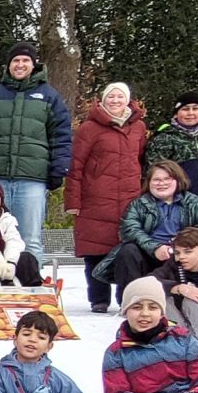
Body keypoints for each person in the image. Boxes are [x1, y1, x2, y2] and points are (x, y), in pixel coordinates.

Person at [0, 40, 74, 255]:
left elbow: (61, 136)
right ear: (8, 65)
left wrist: (58, 169)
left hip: (32, 180)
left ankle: (31, 277)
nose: (20, 65)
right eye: (15, 60)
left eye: (25, 60)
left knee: (30, 240)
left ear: (34, 64)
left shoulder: (49, 96)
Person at [64, 80, 146, 311]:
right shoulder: (89, 128)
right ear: (103, 100)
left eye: (120, 97)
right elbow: (76, 166)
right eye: (111, 96)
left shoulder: (139, 127)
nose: (115, 101)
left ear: (127, 100)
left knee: (126, 250)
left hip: (129, 199)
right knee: (95, 250)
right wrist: (73, 201)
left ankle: (125, 298)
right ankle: (99, 299)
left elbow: (141, 160)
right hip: (95, 198)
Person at [94, 160, 198, 300]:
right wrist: (155, 247)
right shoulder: (139, 204)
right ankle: (133, 298)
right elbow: (129, 229)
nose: (162, 183)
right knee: (128, 251)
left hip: (181, 251)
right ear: (149, 183)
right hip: (148, 254)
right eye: (156, 180)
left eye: (167, 179)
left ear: (178, 180)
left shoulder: (192, 201)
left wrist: (186, 242)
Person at [145, 93, 198, 201]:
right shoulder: (165, 138)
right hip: (179, 202)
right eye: (185, 109)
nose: (191, 113)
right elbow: (153, 173)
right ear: (176, 114)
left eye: (195, 108)